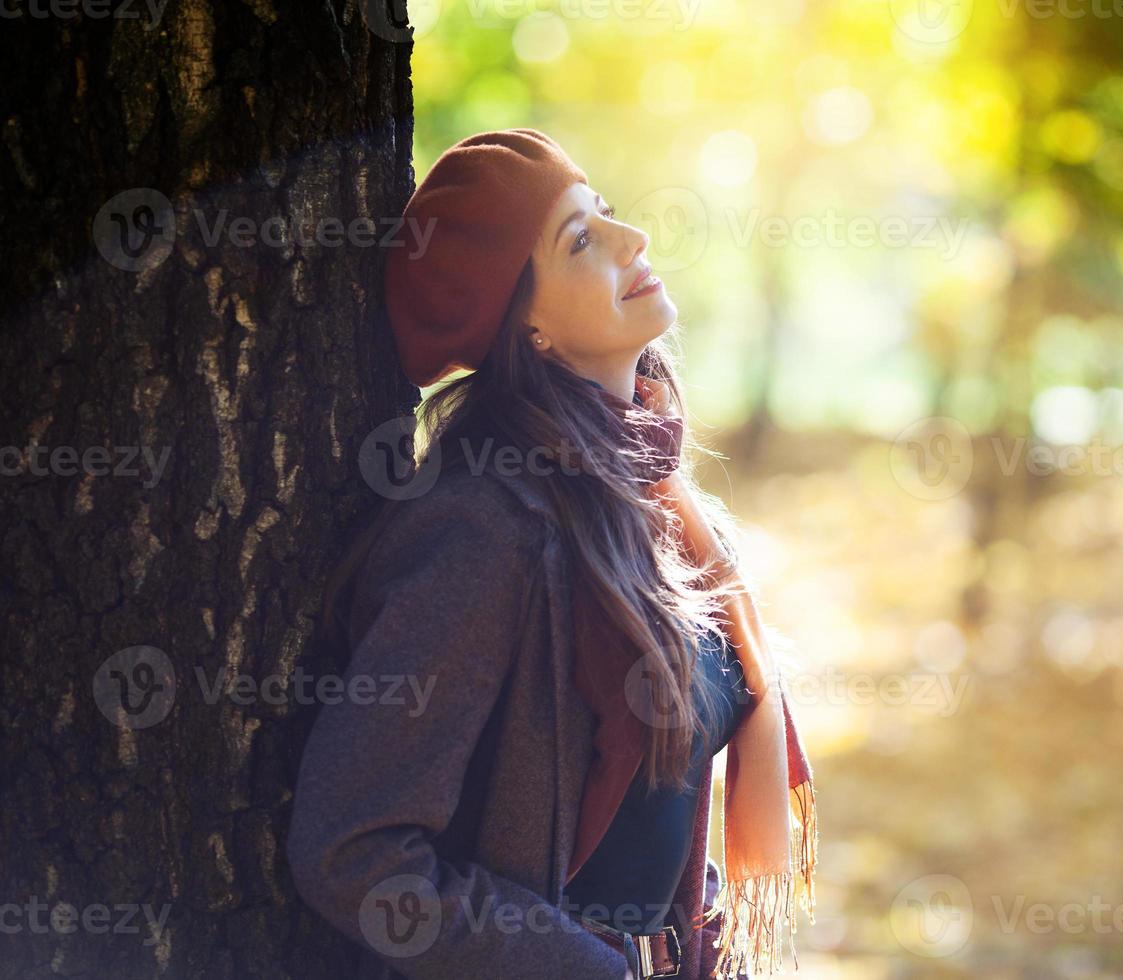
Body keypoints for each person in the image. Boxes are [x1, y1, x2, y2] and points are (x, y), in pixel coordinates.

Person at [286, 129, 817, 980]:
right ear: (521, 325)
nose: (631, 240)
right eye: (581, 240)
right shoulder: (483, 527)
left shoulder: (654, 508)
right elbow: (355, 852)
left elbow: (641, 817)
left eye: (605, 214)